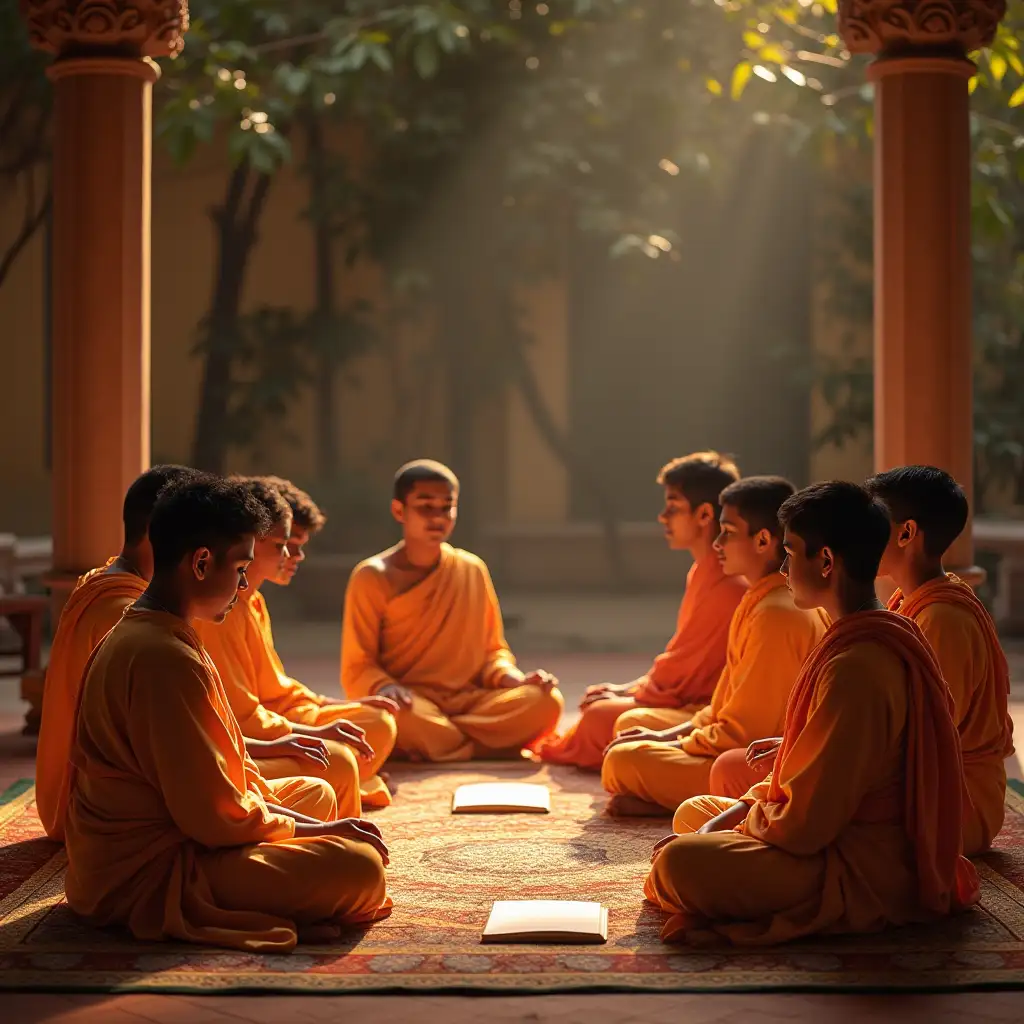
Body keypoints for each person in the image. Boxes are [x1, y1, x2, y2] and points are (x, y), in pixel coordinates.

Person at [64, 475, 392, 952]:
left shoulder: (160, 630)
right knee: (358, 867)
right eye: (240, 568)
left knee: (318, 792)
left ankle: (282, 897)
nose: (243, 585)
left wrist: (309, 823)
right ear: (200, 563)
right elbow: (213, 818)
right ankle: (272, 902)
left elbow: (224, 775)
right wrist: (321, 833)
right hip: (151, 870)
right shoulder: (163, 655)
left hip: (192, 828)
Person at [644, 481, 979, 945]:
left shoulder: (857, 667)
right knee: (695, 814)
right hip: (830, 831)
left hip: (861, 858)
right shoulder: (857, 639)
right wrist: (732, 816)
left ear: (825, 561)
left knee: (680, 866)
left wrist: (742, 821)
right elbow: (806, 772)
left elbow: (807, 827)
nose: (782, 568)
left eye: (791, 553)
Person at [601, 477, 827, 815]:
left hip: (756, 763)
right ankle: (669, 797)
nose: (717, 543)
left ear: (763, 539)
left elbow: (745, 734)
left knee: (623, 761)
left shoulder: (776, 613)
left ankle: (687, 801)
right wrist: (662, 738)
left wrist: (675, 742)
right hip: (727, 744)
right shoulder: (761, 600)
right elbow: (721, 707)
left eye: (728, 532)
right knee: (629, 736)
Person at [341, 459, 563, 762]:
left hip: (472, 702)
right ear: (398, 511)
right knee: (394, 717)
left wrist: (514, 679)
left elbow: (492, 652)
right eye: (425, 506)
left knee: (546, 701)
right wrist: (387, 686)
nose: (437, 517)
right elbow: (358, 665)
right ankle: (479, 745)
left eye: (446, 507)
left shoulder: (471, 569)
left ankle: (442, 745)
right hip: (413, 703)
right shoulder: (373, 576)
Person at [538, 452, 748, 770]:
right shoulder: (702, 572)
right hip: (682, 706)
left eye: (673, 507)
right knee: (601, 708)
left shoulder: (730, 585)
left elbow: (689, 680)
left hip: (704, 717)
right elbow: (680, 661)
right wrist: (628, 689)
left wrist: (635, 695)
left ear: (705, 514)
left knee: (603, 718)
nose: (663, 517)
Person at [195, 478, 395, 812]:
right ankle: (347, 785)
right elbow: (239, 718)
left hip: (273, 720)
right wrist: (301, 736)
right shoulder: (218, 612)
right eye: (282, 545)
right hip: (240, 744)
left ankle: (345, 784)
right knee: (341, 760)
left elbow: (273, 686)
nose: (293, 556)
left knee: (377, 722)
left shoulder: (251, 602)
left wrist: (322, 709)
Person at [36, 465, 198, 840]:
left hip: (84, 792)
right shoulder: (121, 611)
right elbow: (155, 744)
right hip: (100, 805)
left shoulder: (103, 581)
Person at [866, 465, 1014, 855]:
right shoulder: (910, 602)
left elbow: (929, 737)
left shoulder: (943, 619)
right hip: (919, 784)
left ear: (906, 533)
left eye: (873, 523)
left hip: (953, 803)